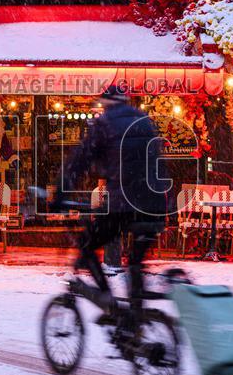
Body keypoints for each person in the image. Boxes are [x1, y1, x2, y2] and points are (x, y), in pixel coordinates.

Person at [52, 85, 170, 325]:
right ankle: (136, 319)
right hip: (156, 204)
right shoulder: (144, 120)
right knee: (136, 261)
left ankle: (111, 306)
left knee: (87, 245)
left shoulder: (104, 124)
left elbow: (78, 162)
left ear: (105, 103)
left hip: (125, 204)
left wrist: (59, 197)